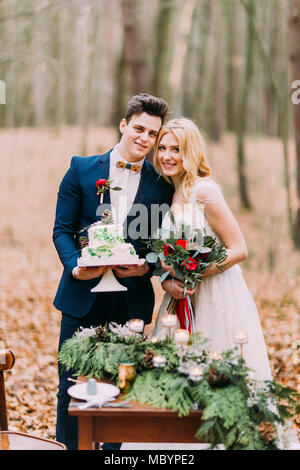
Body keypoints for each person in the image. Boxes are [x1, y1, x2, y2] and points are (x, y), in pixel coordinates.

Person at [53, 93, 174, 450]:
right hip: (80, 300)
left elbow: (162, 244)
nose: (145, 139)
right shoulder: (81, 168)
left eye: (153, 134)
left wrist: (146, 267)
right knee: (71, 389)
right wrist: (76, 267)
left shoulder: (162, 183)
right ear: (123, 125)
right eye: (139, 129)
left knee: (122, 392)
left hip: (131, 305)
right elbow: (61, 229)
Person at [153, 117, 272, 381]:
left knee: (216, 374)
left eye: (176, 149)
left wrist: (196, 273)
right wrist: (168, 279)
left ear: (191, 152)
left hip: (216, 293)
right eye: (162, 148)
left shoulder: (204, 192)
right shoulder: (171, 193)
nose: (167, 156)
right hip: (181, 297)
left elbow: (239, 249)